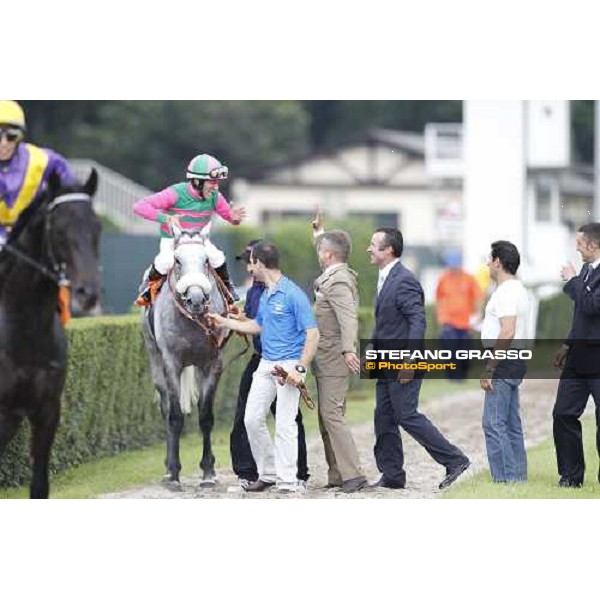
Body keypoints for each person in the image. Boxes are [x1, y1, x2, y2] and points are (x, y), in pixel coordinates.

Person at [209, 241, 319, 494]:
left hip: (289, 365)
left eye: (251, 262)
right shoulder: (267, 294)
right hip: (266, 363)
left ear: (259, 262)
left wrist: (300, 369)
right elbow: (257, 326)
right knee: (251, 419)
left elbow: (313, 334)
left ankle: (288, 481)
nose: (249, 267)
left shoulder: (293, 294)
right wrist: (223, 321)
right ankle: (268, 473)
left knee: (284, 423)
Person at [367, 227, 470, 490]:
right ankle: (392, 474)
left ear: (389, 250)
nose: (368, 248)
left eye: (373, 245)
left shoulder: (404, 280)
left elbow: (417, 321)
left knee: (407, 415)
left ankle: (455, 460)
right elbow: (387, 323)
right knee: (383, 418)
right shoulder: (385, 278)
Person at [133, 153, 245, 305]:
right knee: (164, 261)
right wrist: (165, 218)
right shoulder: (175, 193)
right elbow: (139, 206)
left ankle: (227, 290)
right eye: (212, 181)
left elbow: (230, 218)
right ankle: (148, 290)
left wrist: (235, 219)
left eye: (217, 181)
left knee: (218, 257)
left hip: (200, 239)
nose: (215, 186)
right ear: (197, 181)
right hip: (173, 239)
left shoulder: (215, 196)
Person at [311, 211, 367, 493]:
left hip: (333, 355)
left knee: (332, 414)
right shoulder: (333, 273)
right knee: (326, 415)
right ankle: (337, 474)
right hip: (325, 355)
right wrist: (319, 233)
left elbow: (348, 318)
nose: (318, 253)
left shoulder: (340, 281)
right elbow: (326, 249)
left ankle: (353, 475)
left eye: (321, 250)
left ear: (329, 255)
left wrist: (348, 350)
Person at [552, 223, 600, 488]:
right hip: (578, 356)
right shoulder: (585, 270)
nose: (577, 247)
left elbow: (593, 306)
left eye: (580, 243)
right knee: (563, 414)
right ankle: (571, 476)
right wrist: (566, 345)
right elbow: (580, 314)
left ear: (592, 245)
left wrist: (572, 281)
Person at [479, 241, 530, 483]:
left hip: (502, 362)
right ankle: (517, 477)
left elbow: (507, 331)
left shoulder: (507, 291)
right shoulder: (517, 289)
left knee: (493, 423)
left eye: (490, 259)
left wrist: (490, 367)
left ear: (498, 262)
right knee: (510, 423)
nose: (488, 263)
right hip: (513, 360)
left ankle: (506, 480)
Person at [0, 100, 75, 245]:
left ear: (20, 136)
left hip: (29, 237)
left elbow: (71, 191)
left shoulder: (44, 160)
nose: (3, 143)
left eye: (11, 136)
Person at [436, 249, 483, 381]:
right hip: (448, 322)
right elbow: (439, 299)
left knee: (465, 352)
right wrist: (440, 317)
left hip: (465, 323)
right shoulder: (443, 279)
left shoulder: (469, 279)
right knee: (450, 349)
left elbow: (478, 297)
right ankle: (452, 377)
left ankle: (462, 375)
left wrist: (478, 313)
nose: (452, 268)